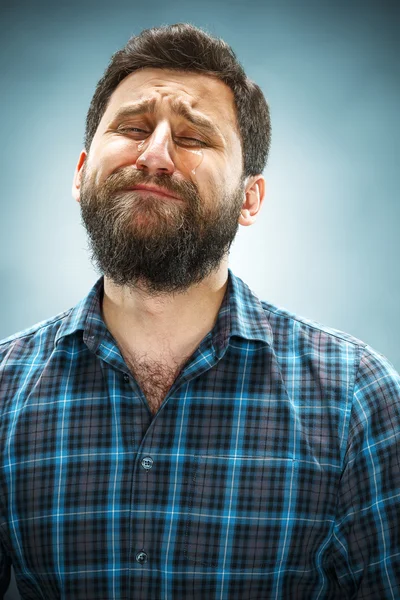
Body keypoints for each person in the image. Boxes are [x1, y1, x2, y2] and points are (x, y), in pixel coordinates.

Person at [0, 22, 399, 600]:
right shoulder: (6, 392)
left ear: (249, 198)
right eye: (133, 128)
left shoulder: (357, 399)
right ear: (81, 172)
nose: (155, 154)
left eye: (192, 139)